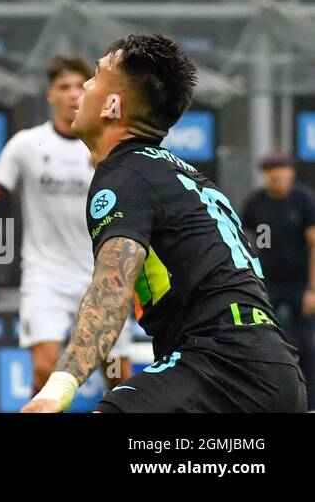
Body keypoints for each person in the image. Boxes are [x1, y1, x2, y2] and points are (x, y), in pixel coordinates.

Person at [23, 35, 306, 413]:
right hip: (274, 371)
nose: (83, 89)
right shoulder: (182, 176)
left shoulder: (125, 177)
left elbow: (111, 290)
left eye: (93, 76)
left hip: (221, 368)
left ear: (111, 106)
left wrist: (57, 388)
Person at [0, 55, 134, 392]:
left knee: (116, 374)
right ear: (50, 95)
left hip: (103, 276)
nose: (71, 94)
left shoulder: (111, 147)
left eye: (78, 86)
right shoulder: (27, 144)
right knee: (44, 368)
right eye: (62, 87)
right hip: (46, 275)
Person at [242, 153, 315, 405]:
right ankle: (269, 399)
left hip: (300, 283)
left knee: (308, 345)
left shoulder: (304, 201)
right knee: (264, 340)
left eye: (282, 169)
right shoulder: (256, 203)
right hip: (267, 284)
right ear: (265, 175)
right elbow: (245, 243)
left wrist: (312, 289)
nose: (277, 175)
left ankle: (310, 402)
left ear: (291, 172)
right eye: (271, 170)